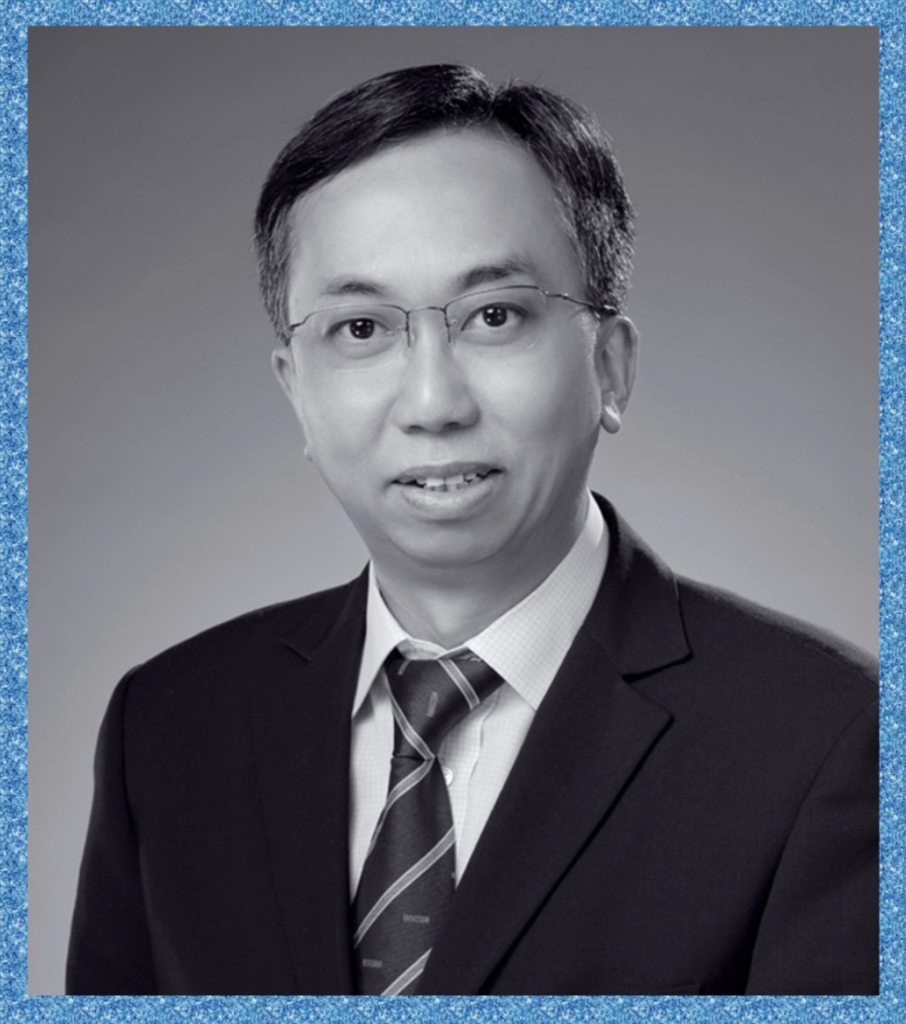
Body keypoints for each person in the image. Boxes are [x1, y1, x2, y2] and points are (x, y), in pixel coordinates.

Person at [66, 63, 878, 997]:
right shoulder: (167, 728)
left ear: (610, 368)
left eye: (495, 316)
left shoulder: (829, 737)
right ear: (295, 389)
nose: (432, 402)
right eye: (361, 329)